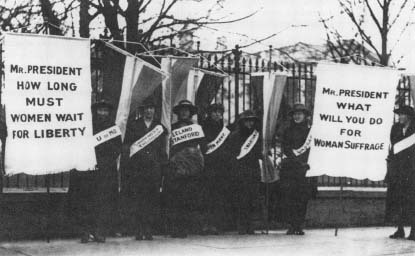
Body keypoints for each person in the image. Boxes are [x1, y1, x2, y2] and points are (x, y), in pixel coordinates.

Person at [68, 99, 122, 243]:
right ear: (95, 111)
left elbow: (117, 148)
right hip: (89, 171)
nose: (102, 113)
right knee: (87, 201)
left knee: (103, 202)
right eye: (100, 110)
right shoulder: (87, 127)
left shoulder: (113, 128)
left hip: (105, 171)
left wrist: (104, 162)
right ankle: (86, 231)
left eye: (105, 110)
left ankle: (99, 231)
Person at [122, 97, 167, 240]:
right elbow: (128, 145)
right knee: (138, 199)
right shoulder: (134, 125)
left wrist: (162, 165)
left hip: (153, 168)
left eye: (151, 108)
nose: (149, 111)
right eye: (146, 108)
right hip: (137, 167)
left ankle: (148, 229)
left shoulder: (159, 127)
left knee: (151, 199)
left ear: (154, 110)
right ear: (142, 110)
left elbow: (162, 148)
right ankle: (138, 229)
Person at [165, 99, 206, 238]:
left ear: (190, 113)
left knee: (188, 197)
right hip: (176, 167)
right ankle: (174, 227)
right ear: (178, 112)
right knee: (175, 197)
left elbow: (203, 147)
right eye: (182, 110)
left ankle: (185, 227)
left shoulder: (197, 128)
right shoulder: (172, 127)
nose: (184, 112)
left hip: (192, 168)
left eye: (186, 110)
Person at [227, 110, 262, 235]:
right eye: (247, 120)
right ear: (242, 122)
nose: (249, 123)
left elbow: (259, 153)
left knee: (253, 198)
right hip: (239, 170)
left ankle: (250, 225)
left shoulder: (257, 136)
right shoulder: (234, 136)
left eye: (251, 120)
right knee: (241, 199)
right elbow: (231, 154)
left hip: (253, 170)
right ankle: (241, 225)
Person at [279, 103, 311, 235]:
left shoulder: (310, 132)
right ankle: (292, 225)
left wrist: (305, 162)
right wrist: (296, 160)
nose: (297, 116)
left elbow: (311, 149)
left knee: (302, 198)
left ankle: (299, 224)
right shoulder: (287, 131)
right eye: (295, 114)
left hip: (304, 169)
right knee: (290, 197)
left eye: (300, 114)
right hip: (291, 169)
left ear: (305, 116)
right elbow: (285, 148)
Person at [385, 105, 415, 240]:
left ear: (409, 116)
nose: (399, 117)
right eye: (398, 115)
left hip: (412, 170)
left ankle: (414, 230)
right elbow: (393, 145)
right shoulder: (395, 128)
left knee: (412, 200)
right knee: (398, 200)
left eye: (402, 114)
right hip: (398, 170)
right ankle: (400, 229)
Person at [200, 103, 231, 234]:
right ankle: (205, 224)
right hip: (207, 165)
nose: (217, 114)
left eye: (220, 112)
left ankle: (216, 224)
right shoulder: (203, 128)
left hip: (220, 166)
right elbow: (202, 146)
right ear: (210, 113)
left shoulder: (224, 130)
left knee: (218, 196)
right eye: (215, 112)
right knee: (206, 196)